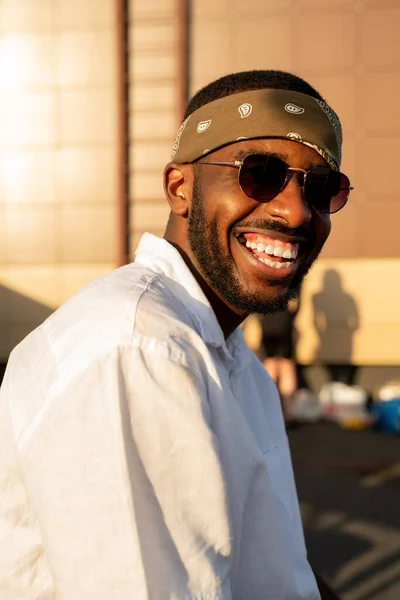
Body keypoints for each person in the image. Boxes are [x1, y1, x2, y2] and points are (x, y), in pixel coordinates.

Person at [0, 70, 351, 599]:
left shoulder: (237, 366)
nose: (295, 210)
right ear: (179, 188)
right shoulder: (136, 347)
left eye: (322, 188)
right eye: (260, 174)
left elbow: (274, 568)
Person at [259, 297, 299, 420]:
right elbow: (299, 301)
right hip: (284, 317)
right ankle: (288, 413)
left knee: (270, 363)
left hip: (268, 317)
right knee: (286, 365)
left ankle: (267, 411)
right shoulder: (291, 279)